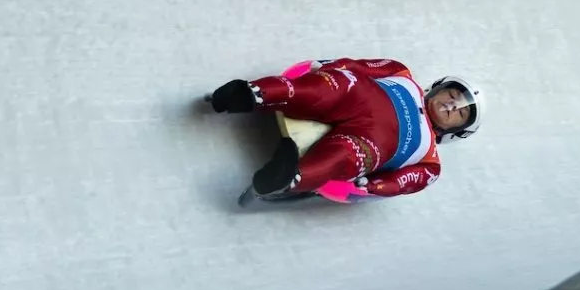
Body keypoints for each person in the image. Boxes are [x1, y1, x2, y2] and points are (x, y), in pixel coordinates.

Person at [207, 58, 483, 198]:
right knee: (330, 87)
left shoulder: (430, 161)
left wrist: (375, 186)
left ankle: (289, 175)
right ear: (440, 88)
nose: (451, 106)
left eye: (459, 113)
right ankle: (250, 94)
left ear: (456, 131)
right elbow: (358, 66)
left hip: (374, 142)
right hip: (359, 94)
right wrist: (333, 67)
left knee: (346, 156)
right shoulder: (402, 73)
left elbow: (404, 183)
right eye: (453, 97)